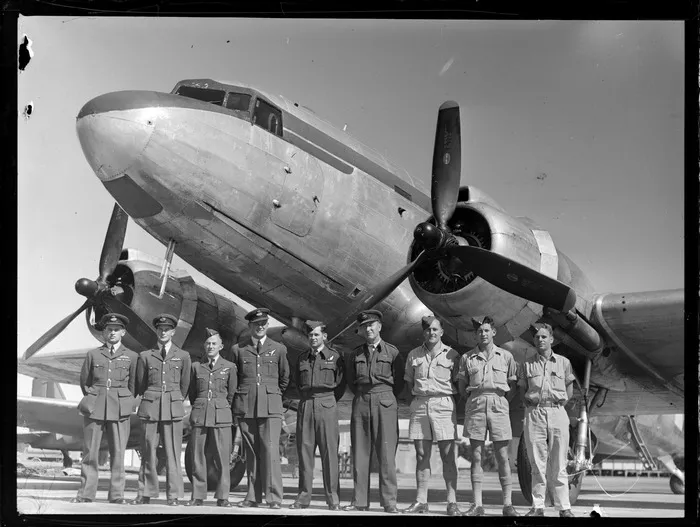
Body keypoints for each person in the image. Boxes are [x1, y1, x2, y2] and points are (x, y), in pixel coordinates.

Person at [71, 313, 138, 504]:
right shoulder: (93, 354)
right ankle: (85, 494)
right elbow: (85, 381)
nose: (112, 333)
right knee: (90, 453)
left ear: (123, 332)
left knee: (119, 454)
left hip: (120, 409)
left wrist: (126, 402)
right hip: (95, 407)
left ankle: (117, 496)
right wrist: (94, 396)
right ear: (104, 332)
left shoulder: (132, 357)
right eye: (109, 329)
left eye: (116, 330)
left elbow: (135, 385)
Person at [343, 309, 404, 514]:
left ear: (379, 326)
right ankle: (360, 501)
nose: (368, 329)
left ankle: (389, 502)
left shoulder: (392, 352)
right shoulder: (355, 354)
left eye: (372, 325)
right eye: (364, 326)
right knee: (360, 453)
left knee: (387, 455)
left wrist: (383, 395)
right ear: (360, 330)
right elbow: (351, 381)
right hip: (361, 401)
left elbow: (399, 382)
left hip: (385, 400)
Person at [457, 316, 519, 517]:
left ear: (493, 333)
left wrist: (500, 400)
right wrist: (475, 397)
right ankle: (477, 505)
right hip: (476, 403)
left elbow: (513, 386)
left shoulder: (506, 356)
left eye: (486, 330)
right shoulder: (467, 358)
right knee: (476, 456)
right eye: (479, 331)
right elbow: (461, 385)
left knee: (502, 456)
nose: (482, 334)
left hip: (499, 403)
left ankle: (508, 505)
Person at [230, 308, 290, 509]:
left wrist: (271, 395)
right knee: (252, 453)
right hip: (247, 407)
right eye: (257, 324)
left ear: (267, 324)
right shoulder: (238, 349)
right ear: (250, 326)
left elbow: (284, 379)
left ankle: (274, 498)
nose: (261, 326)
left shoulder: (279, 349)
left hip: (271, 408)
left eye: (264, 323)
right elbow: (234, 379)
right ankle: (252, 496)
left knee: (271, 452)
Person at [402, 315, 462, 516]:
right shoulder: (413, 354)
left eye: (435, 329)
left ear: (442, 332)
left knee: (447, 454)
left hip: (443, 403)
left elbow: (458, 384)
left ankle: (452, 501)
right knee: (421, 454)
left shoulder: (452, 355)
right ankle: (421, 501)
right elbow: (409, 382)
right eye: (428, 330)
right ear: (423, 332)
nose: (432, 333)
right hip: (420, 404)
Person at [130, 314, 191, 506]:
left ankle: (173, 496)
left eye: (167, 329)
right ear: (157, 331)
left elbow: (185, 385)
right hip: (151, 407)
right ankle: (145, 493)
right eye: (160, 329)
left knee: (173, 452)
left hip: (172, 408)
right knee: (148, 450)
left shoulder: (183, 356)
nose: (163, 332)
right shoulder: (145, 356)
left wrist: (173, 397)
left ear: (173, 332)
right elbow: (140, 383)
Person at [518, 322, 576, 518]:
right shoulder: (527, 364)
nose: (540, 340)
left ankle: (563, 507)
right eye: (537, 337)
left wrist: (559, 405)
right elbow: (521, 389)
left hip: (557, 411)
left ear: (551, 339)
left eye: (544, 337)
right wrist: (529, 404)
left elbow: (569, 389)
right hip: (534, 413)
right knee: (537, 463)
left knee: (560, 462)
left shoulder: (564, 363)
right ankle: (538, 506)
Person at [289, 320, 346, 511]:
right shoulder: (302, 358)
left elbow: (341, 384)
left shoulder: (335, 357)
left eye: (316, 334)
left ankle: (333, 498)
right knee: (305, 453)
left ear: (324, 336)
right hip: (306, 404)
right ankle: (303, 497)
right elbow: (297, 382)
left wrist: (327, 399)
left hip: (327, 403)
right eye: (310, 335)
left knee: (329, 452)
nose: (313, 338)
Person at [185, 328, 238, 507]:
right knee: (197, 456)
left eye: (214, 343)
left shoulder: (230, 367)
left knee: (223, 457)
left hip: (221, 415)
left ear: (221, 346)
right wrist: (201, 406)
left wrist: (220, 406)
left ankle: (223, 497)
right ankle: (198, 495)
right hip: (200, 415)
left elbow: (231, 395)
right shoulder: (196, 367)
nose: (210, 346)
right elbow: (192, 394)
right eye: (208, 343)